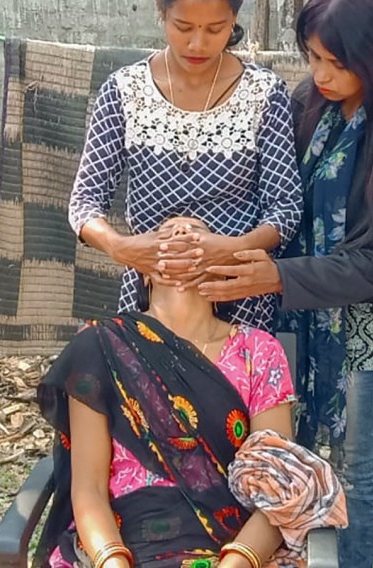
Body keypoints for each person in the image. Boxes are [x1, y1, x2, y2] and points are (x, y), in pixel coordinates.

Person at [198, 0, 373, 567]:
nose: (320, 75)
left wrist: (279, 277)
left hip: (368, 324)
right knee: (288, 449)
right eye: (312, 56)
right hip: (296, 313)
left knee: (354, 464)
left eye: (336, 62)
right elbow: (274, 196)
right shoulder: (309, 104)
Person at [37, 217, 345, 568]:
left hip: (231, 547)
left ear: (220, 265)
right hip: (123, 543)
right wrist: (113, 563)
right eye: (166, 235)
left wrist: (234, 563)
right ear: (145, 270)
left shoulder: (258, 352)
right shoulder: (100, 347)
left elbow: (277, 488)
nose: (182, 234)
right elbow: (88, 489)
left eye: (198, 234)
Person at [68, 0, 302, 330]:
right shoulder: (125, 90)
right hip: (151, 296)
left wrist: (234, 247)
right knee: (151, 389)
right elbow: (84, 203)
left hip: (237, 296)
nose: (197, 43)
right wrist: (123, 247)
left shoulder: (264, 93)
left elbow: (287, 207)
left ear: (234, 18)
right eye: (183, 26)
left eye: (215, 29)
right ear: (160, 7)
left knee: (233, 389)